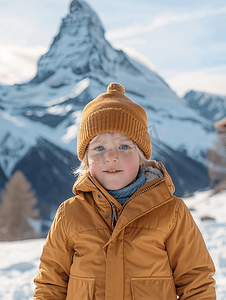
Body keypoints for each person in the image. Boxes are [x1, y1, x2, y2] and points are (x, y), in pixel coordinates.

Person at [33, 82, 216, 300]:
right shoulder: (69, 214)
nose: (111, 156)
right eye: (99, 148)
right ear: (86, 160)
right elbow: (50, 284)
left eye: (124, 146)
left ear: (141, 157)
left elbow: (196, 283)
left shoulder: (172, 212)